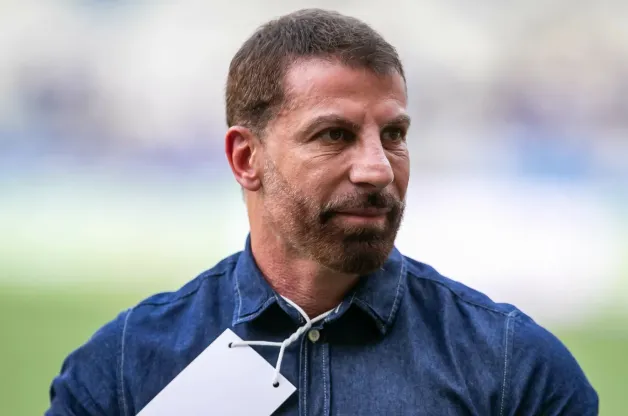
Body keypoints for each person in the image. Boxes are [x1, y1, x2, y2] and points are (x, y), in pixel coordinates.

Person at [46, 9, 598, 416]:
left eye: (394, 135)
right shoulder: (124, 370)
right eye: (335, 135)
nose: (378, 169)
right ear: (246, 157)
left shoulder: (514, 370)